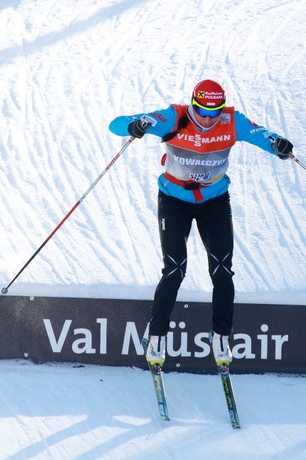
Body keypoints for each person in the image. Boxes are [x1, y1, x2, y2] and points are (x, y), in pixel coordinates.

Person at [108, 79, 293, 368]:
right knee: (175, 268)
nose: (207, 119)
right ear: (193, 104)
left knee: (222, 269)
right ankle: (156, 335)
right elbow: (116, 125)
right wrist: (135, 125)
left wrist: (278, 145)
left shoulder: (232, 121)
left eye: (214, 112)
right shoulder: (175, 116)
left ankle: (221, 335)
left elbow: (263, 136)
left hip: (214, 200)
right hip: (174, 199)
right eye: (202, 112)